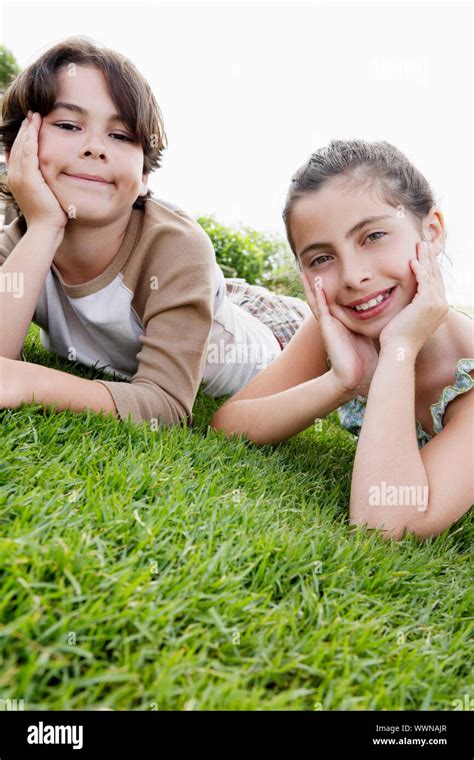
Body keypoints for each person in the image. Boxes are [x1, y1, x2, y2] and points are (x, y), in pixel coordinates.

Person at [0, 37, 309, 426]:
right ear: (15, 150)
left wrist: (28, 382)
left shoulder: (176, 247)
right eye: (67, 125)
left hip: (274, 332)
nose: (95, 147)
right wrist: (45, 226)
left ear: (144, 175)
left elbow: (165, 404)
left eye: (120, 136)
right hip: (206, 298)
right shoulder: (20, 245)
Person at [211, 139, 474, 541]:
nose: (353, 276)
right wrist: (340, 381)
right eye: (321, 258)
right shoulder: (344, 322)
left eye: (373, 236)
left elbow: (386, 521)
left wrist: (399, 351)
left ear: (432, 230)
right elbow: (228, 426)